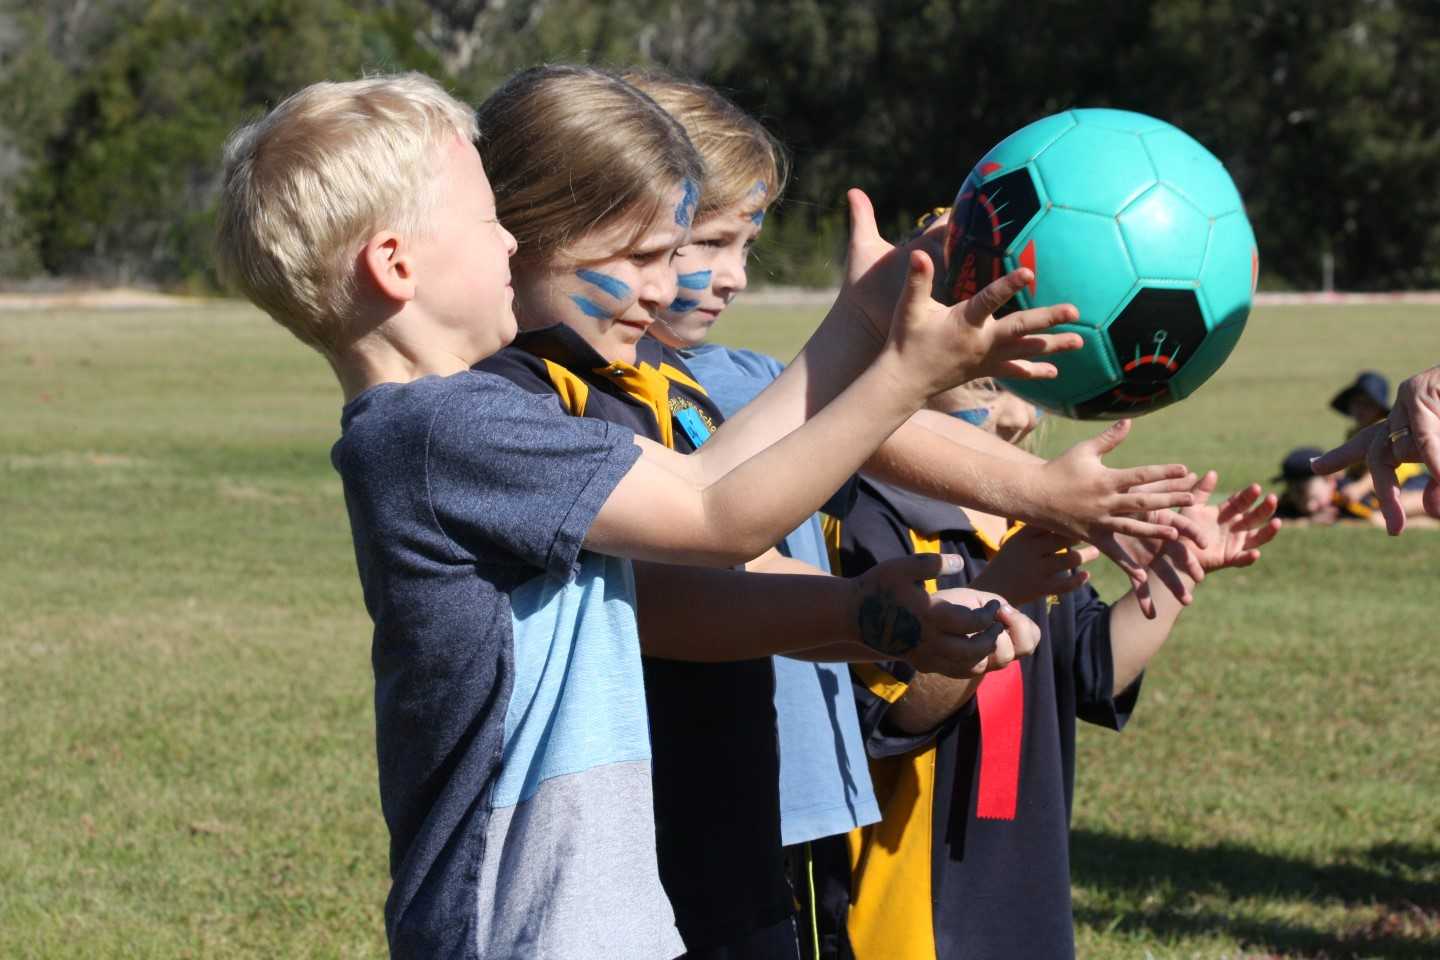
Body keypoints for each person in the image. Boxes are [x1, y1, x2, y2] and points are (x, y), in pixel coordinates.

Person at [214, 72, 1055, 958]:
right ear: (395, 264)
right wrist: (904, 376)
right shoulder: (442, 432)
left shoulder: (463, 424)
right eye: (483, 220)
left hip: (585, 917)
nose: (508, 237)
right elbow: (720, 515)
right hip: (522, 927)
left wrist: (863, 316)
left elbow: (712, 474)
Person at [621, 69, 1212, 957]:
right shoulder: (590, 398)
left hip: (802, 798)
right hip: (691, 797)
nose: (736, 276)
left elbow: (873, 426)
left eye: (750, 242)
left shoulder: (739, 373)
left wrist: (1047, 493)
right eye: (707, 241)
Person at [821, 380, 1281, 960]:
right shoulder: (869, 512)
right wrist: (998, 594)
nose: (1015, 416)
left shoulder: (1027, 514)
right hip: (911, 885)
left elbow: (1093, 669)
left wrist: (1177, 572)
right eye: (988, 385)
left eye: (1022, 387)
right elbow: (891, 718)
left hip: (1022, 871)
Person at [1314, 364, 1440, 534]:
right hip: (1382, 484)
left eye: (1367, 404)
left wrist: (1360, 487)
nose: (1360, 409)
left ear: (1378, 408)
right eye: (1356, 403)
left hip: (1408, 482)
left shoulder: (1387, 429)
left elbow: (1398, 463)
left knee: (1402, 503)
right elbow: (1359, 466)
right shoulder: (1355, 432)